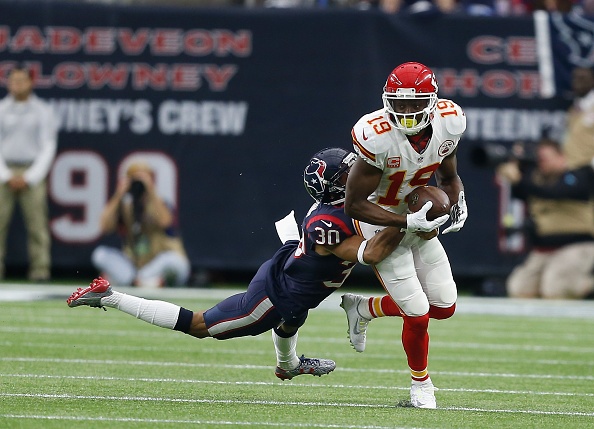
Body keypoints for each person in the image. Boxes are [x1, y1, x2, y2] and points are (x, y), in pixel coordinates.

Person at [68, 147, 409, 380]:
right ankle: (109, 296)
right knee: (200, 326)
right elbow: (373, 254)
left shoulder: (339, 209)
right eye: (349, 175)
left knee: (295, 316)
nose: (360, 177)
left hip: (288, 268)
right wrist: (408, 220)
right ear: (335, 187)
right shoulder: (329, 223)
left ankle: (287, 365)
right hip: (274, 295)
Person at [343, 62, 468, 409]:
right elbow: (353, 205)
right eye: (399, 103)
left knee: (444, 307)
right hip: (379, 217)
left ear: (432, 100)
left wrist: (457, 199)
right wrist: (406, 223)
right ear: (386, 100)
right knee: (416, 312)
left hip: (419, 213)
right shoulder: (376, 134)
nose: (407, 111)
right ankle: (421, 387)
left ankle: (365, 308)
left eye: (415, 104)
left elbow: (449, 176)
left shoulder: (449, 122)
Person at [496, 138, 594, 299]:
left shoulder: (579, 176)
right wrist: (514, 168)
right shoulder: (537, 179)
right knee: (519, 289)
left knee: (556, 289)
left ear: (561, 157)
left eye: (545, 159)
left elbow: (554, 192)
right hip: (544, 249)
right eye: (539, 160)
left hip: (577, 246)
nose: (541, 163)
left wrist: (520, 180)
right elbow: (521, 192)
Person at [91, 162, 191, 287]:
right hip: (135, 266)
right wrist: (118, 194)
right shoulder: (125, 206)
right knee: (100, 254)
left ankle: (133, 281)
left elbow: (165, 222)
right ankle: (143, 282)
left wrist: (150, 189)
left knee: (173, 261)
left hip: (159, 263)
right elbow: (104, 226)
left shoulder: (161, 203)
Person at [0, 65, 58, 282]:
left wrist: (31, 177)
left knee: (37, 224)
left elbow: (48, 146)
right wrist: (5, 175)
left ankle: (40, 270)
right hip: (4, 169)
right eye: (13, 80)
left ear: (31, 82)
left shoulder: (42, 110)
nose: (17, 85)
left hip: (32, 171)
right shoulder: (1, 109)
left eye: (22, 80)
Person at [562, 66, 594, 170]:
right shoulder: (573, 108)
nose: (577, 82)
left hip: (588, 169)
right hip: (571, 167)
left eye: (583, 78)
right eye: (575, 78)